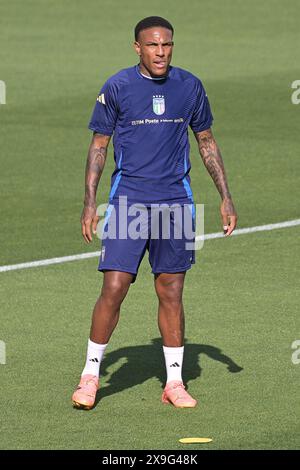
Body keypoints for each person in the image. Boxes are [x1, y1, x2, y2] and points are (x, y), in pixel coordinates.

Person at [72, 16, 237, 410]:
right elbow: (99, 147)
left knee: (171, 291)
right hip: (128, 201)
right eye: (152, 45)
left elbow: (207, 142)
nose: (161, 52)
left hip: (175, 203)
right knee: (114, 287)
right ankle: (91, 376)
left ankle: (174, 383)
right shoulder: (118, 87)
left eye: (167, 45)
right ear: (137, 48)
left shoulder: (189, 86)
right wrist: (90, 202)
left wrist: (226, 196)